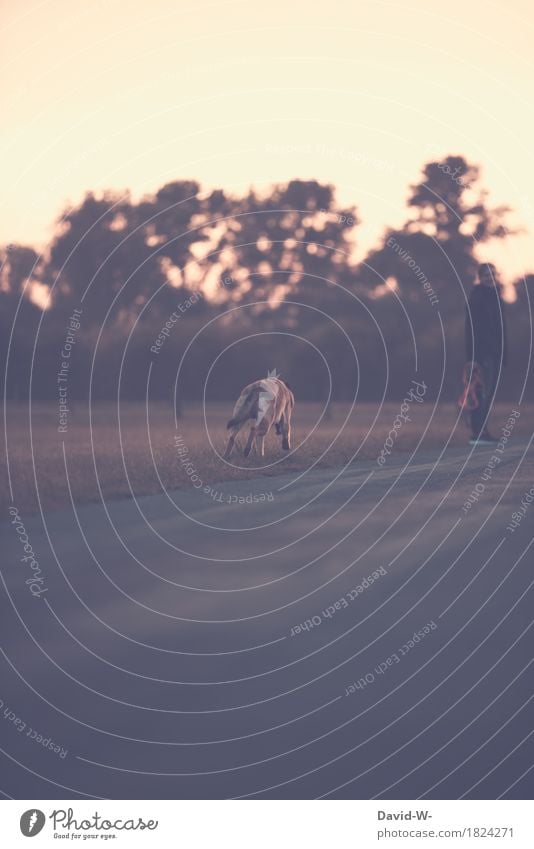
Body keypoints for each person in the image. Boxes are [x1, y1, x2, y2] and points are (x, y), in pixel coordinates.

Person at [464, 262, 507, 445]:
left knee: (487, 393)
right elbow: (470, 330)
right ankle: (477, 434)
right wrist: (473, 358)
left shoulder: (495, 296)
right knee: (480, 392)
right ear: (479, 277)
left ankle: (483, 431)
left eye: (492, 274)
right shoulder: (477, 298)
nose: (490, 277)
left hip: (494, 353)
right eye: (486, 275)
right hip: (482, 354)